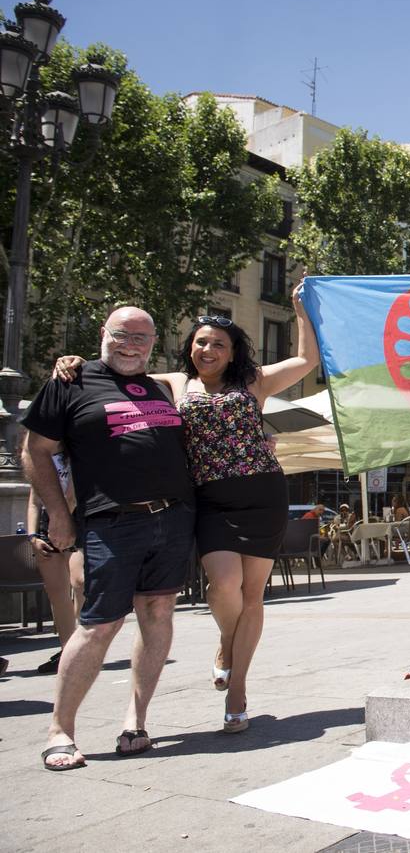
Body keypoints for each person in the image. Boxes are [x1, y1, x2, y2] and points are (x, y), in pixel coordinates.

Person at [54, 286, 319, 735]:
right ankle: (225, 642)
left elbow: (307, 359)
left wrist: (300, 310)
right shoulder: (172, 384)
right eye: (201, 341)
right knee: (222, 586)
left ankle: (237, 691)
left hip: (263, 495)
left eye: (219, 343)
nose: (208, 349)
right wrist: (75, 362)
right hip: (210, 500)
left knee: (252, 597)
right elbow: (119, 368)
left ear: (232, 351)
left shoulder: (253, 380)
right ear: (189, 346)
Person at [23, 306, 196, 770]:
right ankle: (60, 730)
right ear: (103, 333)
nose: (131, 344)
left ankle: (135, 723)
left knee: (158, 612)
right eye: (122, 335)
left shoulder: (160, 386)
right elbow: (34, 451)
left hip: (173, 519)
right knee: (99, 624)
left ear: (153, 344)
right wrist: (57, 515)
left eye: (141, 338)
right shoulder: (70, 381)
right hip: (112, 523)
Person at [27, 458, 83, 676]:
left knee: (80, 582)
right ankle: (66, 650)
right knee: (57, 594)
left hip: (74, 522)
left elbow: (72, 497)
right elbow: (33, 501)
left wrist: (61, 523)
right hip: (45, 527)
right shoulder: (40, 460)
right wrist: (33, 536)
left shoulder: (75, 455)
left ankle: (78, 641)